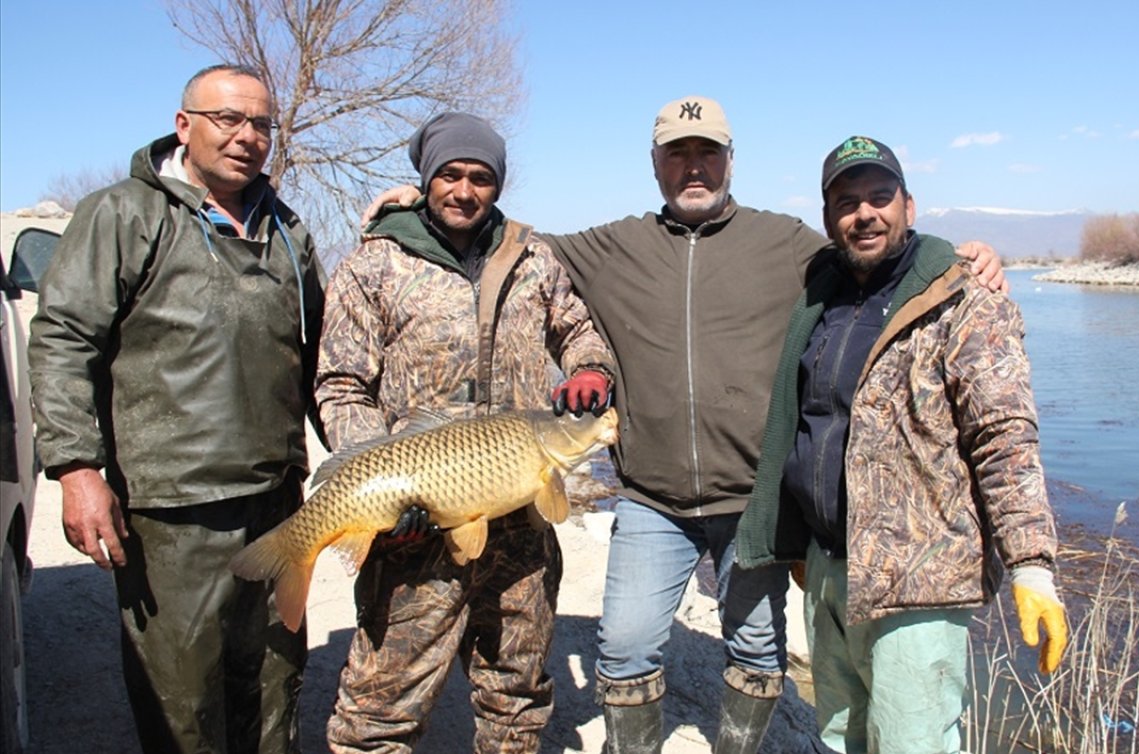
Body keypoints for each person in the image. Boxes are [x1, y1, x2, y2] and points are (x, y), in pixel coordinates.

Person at [361, 96, 1007, 753]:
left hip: (751, 500)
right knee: (626, 645)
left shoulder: (784, 242)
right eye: (678, 154)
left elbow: (874, 251)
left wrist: (953, 256)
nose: (693, 167)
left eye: (707, 153)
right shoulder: (615, 245)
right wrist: (420, 204)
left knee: (757, 647)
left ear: (730, 160)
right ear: (656, 165)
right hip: (652, 500)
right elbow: (508, 240)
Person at [27, 64, 326, 753]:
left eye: (260, 124)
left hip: (276, 501)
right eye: (228, 119)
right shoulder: (125, 214)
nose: (247, 137)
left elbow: (316, 361)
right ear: (185, 124)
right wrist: (76, 469)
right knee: (184, 705)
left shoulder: (288, 231)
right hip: (170, 512)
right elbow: (65, 338)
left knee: (275, 689)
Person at [736, 136, 1067, 754]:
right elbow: (809, 422)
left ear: (909, 206)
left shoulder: (962, 297)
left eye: (879, 197)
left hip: (920, 583)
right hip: (830, 570)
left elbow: (1005, 439)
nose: (865, 213)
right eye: (846, 201)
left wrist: (1031, 565)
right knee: (839, 737)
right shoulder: (821, 294)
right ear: (829, 216)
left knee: (913, 742)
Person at [316, 112, 615, 753]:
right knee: (378, 713)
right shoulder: (374, 266)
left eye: (480, 177)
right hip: (413, 530)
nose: (464, 189)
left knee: (517, 699)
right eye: (449, 174)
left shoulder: (535, 260)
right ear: (426, 180)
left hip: (519, 529)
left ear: (497, 186)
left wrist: (590, 368)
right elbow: (341, 385)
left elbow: (579, 330)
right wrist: (378, 483)